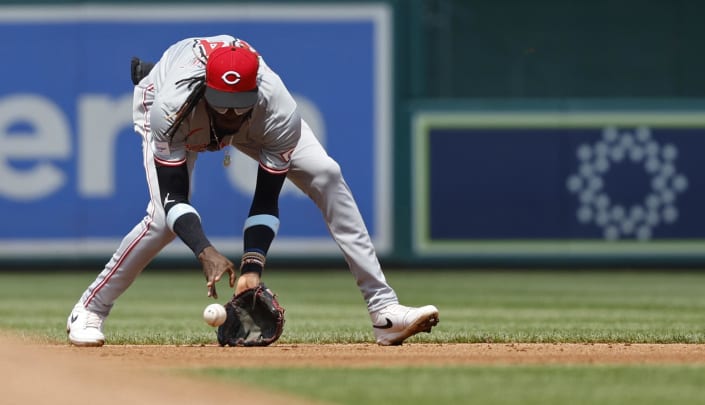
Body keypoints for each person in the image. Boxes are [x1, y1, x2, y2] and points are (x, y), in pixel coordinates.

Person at [66, 34, 439, 347]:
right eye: (223, 106)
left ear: (254, 93)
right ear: (207, 90)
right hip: (177, 107)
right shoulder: (168, 107)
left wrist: (252, 266)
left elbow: (266, 197)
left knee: (326, 173)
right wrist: (205, 250)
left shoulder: (276, 109)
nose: (229, 115)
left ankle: (384, 311)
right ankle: (90, 310)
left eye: (237, 107)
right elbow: (173, 197)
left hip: (248, 118)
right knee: (163, 221)